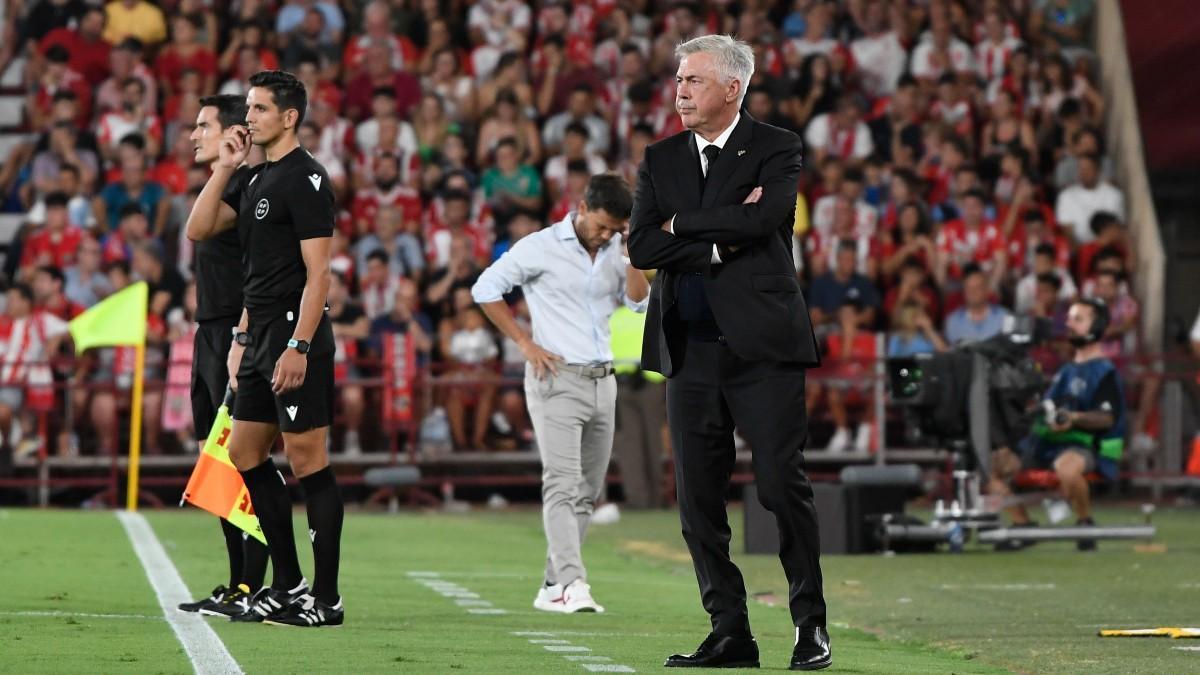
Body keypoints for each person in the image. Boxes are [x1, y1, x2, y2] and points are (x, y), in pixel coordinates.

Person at [626, 35, 829, 671]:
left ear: (731, 88)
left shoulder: (777, 146)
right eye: (679, 81)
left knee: (779, 484)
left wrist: (680, 224)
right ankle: (730, 631)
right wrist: (714, 239)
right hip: (690, 352)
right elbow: (639, 247)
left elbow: (764, 220)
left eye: (693, 81)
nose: (680, 91)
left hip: (763, 352)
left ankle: (809, 626)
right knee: (697, 504)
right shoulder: (660, 158)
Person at [185, 70, 343, 627]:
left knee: (308, 461)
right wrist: (226, 165)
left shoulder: (307, 178)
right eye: (247, 109)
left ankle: (326, 599)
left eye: (257, 110)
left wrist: (299, 343)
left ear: (289, 117)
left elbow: (318, 273)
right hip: (258, 340)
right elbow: (200, 229)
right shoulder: (257, 179)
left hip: (294, 337)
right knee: (246, 454)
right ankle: (289, 583)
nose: (247, 118)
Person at [472, 174, 649, 614]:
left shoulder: (618, 249)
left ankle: (552, 584)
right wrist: (524, 342)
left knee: (587, 491)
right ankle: (573, 583)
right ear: (582, 207)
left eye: (616, 229)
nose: (606, 234)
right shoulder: (541, 246)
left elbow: (639, 303)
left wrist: (632, 256)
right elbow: (485, 289)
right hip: (556, 378)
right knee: (561, 483)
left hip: (603, 379)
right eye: (603, 225)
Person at [175, 94, 271, 619]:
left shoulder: (244, 188)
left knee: (245, 462)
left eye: (203, 126)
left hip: (236, 337)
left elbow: (260, 272)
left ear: (235, 131)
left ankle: (255, 585)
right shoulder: (222, 185)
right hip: (208, 333)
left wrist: (242, 337)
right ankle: (237, 583)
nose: (194, 134)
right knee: (217, 466)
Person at [989, 298, 1126, 552]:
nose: (1069, 324)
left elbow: (1106, 418)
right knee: (993, 467)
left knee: (1067, 468)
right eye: (1069, 318)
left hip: (1083, 445)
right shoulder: (1066, 370)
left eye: (1078, 319)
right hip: (1044, 444)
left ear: (1097, 327)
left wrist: (1073, 419)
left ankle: (1085, 524)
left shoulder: (1105, 371)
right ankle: (1022, 525)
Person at [609, 305, 666, 509]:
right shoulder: (655, 312)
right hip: (650, 383)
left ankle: (637, 499)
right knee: (653, 442)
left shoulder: (614, 317)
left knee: (629, 444)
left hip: (622, 384)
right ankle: (656, 499)